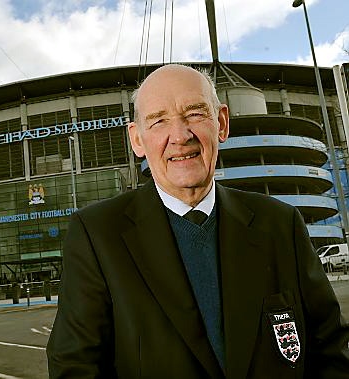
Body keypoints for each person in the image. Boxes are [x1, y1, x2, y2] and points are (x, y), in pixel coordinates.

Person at [46, 64, 349, 378]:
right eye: (159, 120)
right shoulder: (97, 235)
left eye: (194, 113)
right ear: (137, 140)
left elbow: (330, 350)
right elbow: (74, 368)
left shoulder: (281, 223)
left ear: (221, 123)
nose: (180, 136)